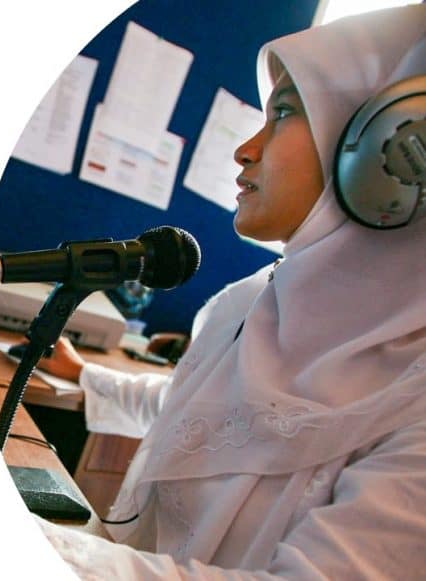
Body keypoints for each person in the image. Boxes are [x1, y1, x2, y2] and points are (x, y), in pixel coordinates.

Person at [33, 5, 426, 579]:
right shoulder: (252, 301)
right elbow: (194, 410)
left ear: (389, 154)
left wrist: (46, 552)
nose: (246, 148)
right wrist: (84, 375)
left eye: (286, 112)